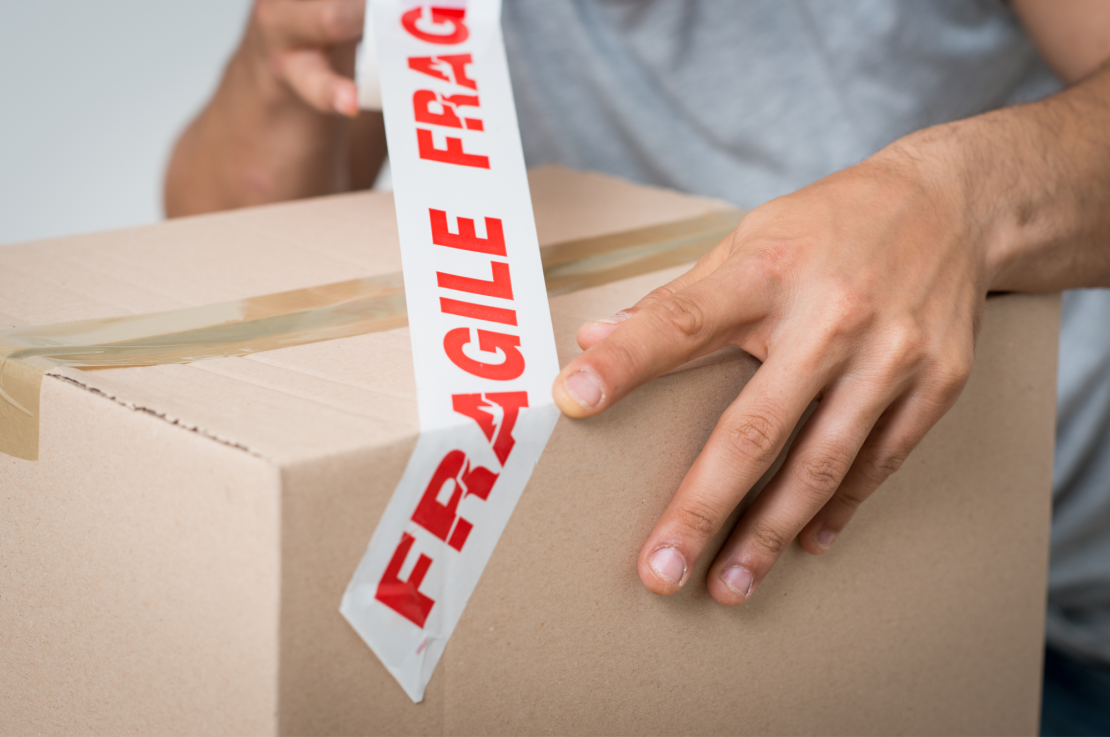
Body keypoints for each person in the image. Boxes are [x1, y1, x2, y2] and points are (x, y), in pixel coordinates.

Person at [165, 1, 1110, 732]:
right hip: (688, 633)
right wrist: (275, 61)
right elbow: (218, 292)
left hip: (1057, 602)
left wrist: (962, 199)